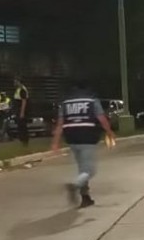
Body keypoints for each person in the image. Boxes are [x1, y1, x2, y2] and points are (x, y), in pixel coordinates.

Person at [50, 79, 116, 209]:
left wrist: (55, 142)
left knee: (82, 169)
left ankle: (85, 198)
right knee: (90, 170)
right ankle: (75, 185)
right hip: (87, 136)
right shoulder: (92, 100)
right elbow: (101, 118)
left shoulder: (66, 103)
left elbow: (60, 123)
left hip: (71, 138)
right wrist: (109, 132)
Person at [12, 76, 30, 147]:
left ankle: (25, 141)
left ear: (19, 82)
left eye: (15, 81)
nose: (14, 83)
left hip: (21, 111)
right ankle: (22, 140)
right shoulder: (18, 89)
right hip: (18, 110)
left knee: (22, 126)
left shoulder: (22, 90)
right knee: (20, 126)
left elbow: (24, 101)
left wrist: (22, 112)